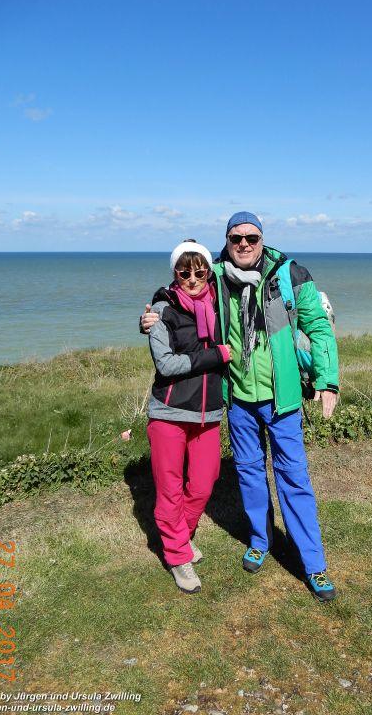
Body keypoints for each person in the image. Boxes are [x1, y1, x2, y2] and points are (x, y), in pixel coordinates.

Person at [142, 213, 339, 602]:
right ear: (227, 241)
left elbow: (318, 326)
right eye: (236, 238)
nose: (244, 244)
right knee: (249, 476)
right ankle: (260, 541)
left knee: (293, 478)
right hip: (239, 401)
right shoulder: (215, 276)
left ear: (262, 239)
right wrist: (149, 317)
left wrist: (327, 379)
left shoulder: (289, 275)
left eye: (251, 237)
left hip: (282, 399)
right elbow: (178, 292)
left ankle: (313, 564)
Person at [145, 240, 231, 594]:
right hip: (168, 412)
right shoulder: (162, 311)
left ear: (209, 272)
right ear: (175, 274)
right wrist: (216, 355)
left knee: (203, 483)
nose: (192, 279)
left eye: (199, 272)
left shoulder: (221, 305)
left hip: (208, 412)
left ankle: (180, 533)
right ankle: (179, 555)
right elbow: (166, 365)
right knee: (169, 490)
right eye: (184, 273)